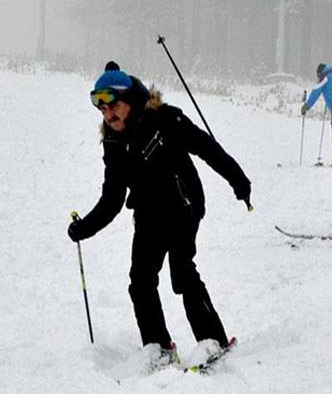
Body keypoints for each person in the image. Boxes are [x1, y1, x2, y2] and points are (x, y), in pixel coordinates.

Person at [67, 61, 251, 369]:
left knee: (181, 272)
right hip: (149, 212)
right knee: (140, 280)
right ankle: (159, 347)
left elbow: (206, 147)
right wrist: (85, 227)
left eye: (114, 107)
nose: (108, 116)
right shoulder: (113, 143)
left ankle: (213, 340)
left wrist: (238, 180)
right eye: (102, 111)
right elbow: (113, 198)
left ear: (130, 100)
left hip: (184, 203)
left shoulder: (164, 118)